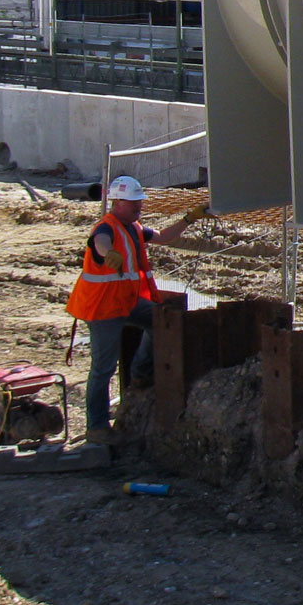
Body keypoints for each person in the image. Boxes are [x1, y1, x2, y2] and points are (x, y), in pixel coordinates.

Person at [65, 175, 200, 443]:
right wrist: (107, 254)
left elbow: (162, 237)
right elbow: (100, 243)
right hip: (103, 308)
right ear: (117, 202)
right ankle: (97, 427)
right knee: (103, 368)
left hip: (126, 302)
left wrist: (189, 219)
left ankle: (139, 376)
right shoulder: (106, 227)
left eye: (140, 202)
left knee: (159, 324)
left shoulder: (134, 227)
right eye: (133, 202)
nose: (139, 206)